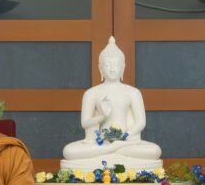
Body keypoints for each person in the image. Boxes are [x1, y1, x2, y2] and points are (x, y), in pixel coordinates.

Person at [61, 37, 162, 170]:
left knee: (154, 151)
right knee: (69, 151)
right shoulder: (91, 93)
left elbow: (140, 122)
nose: (112, 69)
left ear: (123, 67)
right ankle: (112, 149)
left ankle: (113, 149)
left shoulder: (133, 92)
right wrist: (102, 116)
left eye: (116, 65)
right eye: (108, 65)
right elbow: (85, 123)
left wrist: (123, 137)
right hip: (99, 142)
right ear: (100, 68)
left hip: (126, 141)